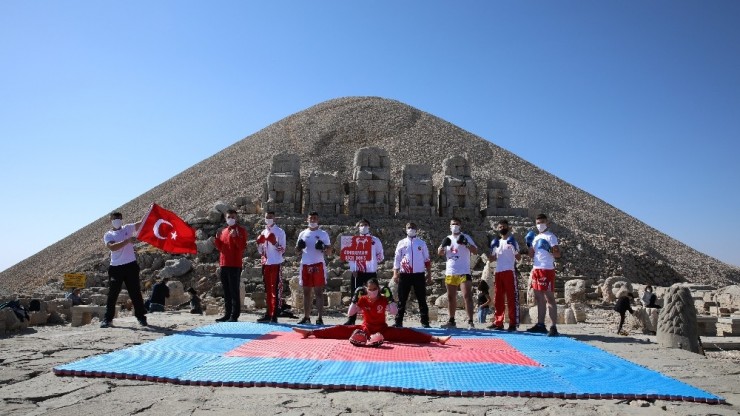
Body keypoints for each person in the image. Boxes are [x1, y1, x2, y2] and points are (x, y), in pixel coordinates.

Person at [292, 278, 451, 346]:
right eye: (370, 290)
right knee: (340, 329)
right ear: (366, 289)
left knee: (407, 333)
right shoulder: (363, 299)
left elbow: (395, 313)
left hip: (383, 329)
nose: (373, 292)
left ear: (378, 290)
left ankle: (436, 339)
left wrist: (390, 300)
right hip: (365, 329)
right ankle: (311, 333)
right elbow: (350, 313)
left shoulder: (382, 298)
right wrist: (354, 298)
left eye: (375, 290)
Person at [101, 212, 147, 328]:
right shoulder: (108, 235)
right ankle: (107, 319)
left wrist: (149, 211)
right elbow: (112, 247)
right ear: (110, 220)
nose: (116, 220)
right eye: (114, 218)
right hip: (116, 267)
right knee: (113, 294)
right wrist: (127, 241)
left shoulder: (128, 228)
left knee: (135, 292)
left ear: (122, 219)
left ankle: (141, 317)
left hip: (130, 265)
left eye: (118, 218)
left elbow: (141, 223)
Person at [438, 217, 479, 329]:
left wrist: (466, 244)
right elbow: (440, 253)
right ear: (450, 226)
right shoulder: (447, 238)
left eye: (457, 224)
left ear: (460, 226)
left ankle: (470, 322)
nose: (455, 226)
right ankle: (451, 320)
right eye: (453, 224)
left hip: (464, 271)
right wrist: (442, 246)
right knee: (451, 297)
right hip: (451, 271)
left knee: (467, 296)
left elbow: (475, 251)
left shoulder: (466, 237)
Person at [526, 213, 562, 336]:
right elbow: (531, 255)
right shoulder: (536, 237)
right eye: (537, 223)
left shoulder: (551, 237)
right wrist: (529, 244)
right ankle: (540, 324)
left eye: (542, 222)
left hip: (547, 269)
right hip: (536, 268)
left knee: (549, 297)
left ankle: (553, 326)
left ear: (547, 223)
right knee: (539, 298)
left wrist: (549, 249)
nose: (540, 225)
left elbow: (557, 254)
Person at [343, 218, 385, 325]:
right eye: (361, 225)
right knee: (355, 295)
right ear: (358, 227)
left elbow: (380, 255)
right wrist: (353, 269)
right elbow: (350, 256)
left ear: (369, 226)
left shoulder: (375, 240)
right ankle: (351, 319)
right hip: (357, 272)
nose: (363, 227)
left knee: (373, 296)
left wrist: (373, 262)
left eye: (365, 225)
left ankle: (372, 319)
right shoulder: (353, 240)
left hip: (370, 272)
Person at [392, 222, 432, 328]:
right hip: (405, 274)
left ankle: (425, 322)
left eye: (413, 227)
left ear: (417, 229)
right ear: (405, 229)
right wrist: (395, 274)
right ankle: (398, 321)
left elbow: (427, 259)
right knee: (402, 299)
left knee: (421, 299)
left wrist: (429, 274)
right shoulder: (401, 243)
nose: (411, 229)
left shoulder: (421, 243)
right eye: (409, 227)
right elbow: (397, 259)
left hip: (419, 274)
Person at [296, 211, 332, 325]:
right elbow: (297, 251)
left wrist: (324, 248)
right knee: (306, 292)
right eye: (311, 218)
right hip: (305, 264)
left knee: (319, 292)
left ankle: (319, 317)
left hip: (318, 264)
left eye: (315, 218)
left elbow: (330, 252)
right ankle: (306, 317)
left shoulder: (323, 234)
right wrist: (299, 247)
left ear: (318, 219)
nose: (313, 220)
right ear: (307, 219)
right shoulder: (302, 233)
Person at [213, 209, 248, 322]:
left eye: (233, 217)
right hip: (224, 264)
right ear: (225, 218)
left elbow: (242, 247)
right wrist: (217, 240)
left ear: (236, 218)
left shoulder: (241, 231)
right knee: (226, 291)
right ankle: (227, 314)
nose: (231, 219)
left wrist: (235, 237)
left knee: (234, 290)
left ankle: (234, 315)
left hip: (234, 264)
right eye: (229, 217)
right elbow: (221, 248)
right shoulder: (223, 231)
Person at [487, 219, 522, 331]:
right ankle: (498, 322)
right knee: (498, 299)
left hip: (509, 271)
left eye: (504, 226)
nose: (502, 228)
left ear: (508, 227)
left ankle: (513, 323)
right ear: (498, 229)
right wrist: (490, 250)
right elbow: (492, 259)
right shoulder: (496, 242)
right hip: (498, 271)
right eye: (500, 227)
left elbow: (518, 258)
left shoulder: (512, 241)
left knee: (511, 298)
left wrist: (514, 248)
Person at [255, 211, 287, 323]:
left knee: (275, 288)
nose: (268, 219)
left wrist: (275, 243)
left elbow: (283, 250)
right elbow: (261, 251)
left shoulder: (280, 232)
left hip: (276, 262)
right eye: (267, 217)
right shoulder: (263, 232)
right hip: (266, 263)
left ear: (275, 218)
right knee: (267, 289)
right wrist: (259, 243)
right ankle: (268, 313)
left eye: (270, 217)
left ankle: (275, 314)